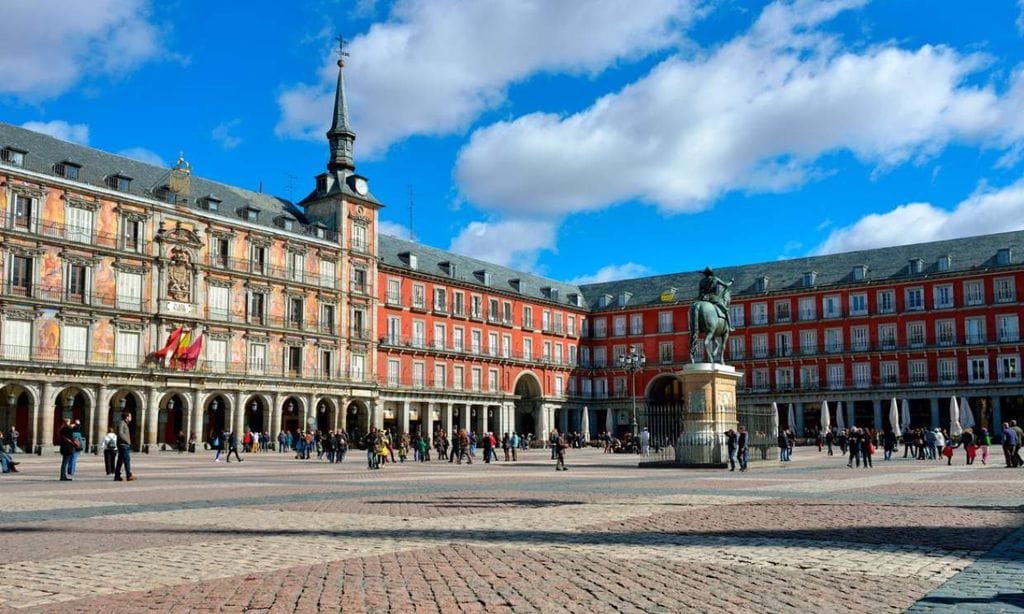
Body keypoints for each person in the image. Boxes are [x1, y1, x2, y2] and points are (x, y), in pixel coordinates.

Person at [113, 412, 135, 481]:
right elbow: (120, 433)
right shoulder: (122, 423)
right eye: (130, 416)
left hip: (123, 445)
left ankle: (117, 476)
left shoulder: (124, 423)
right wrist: (127, 441)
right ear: (127, 417)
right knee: (127, 460)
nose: (131, 418)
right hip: (123, 445)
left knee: (120, 460)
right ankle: (129, 475)